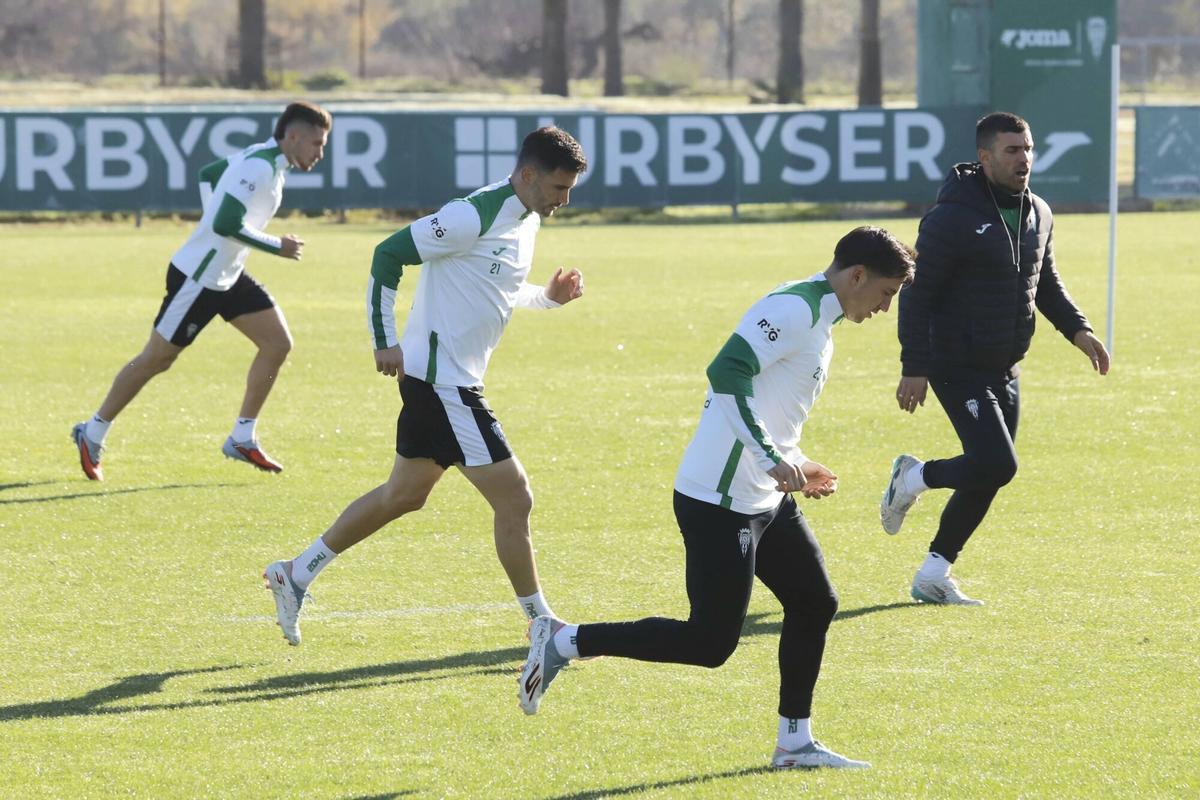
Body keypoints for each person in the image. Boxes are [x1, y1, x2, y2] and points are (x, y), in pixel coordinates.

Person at [518, 226, 917, 771]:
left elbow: (769, 403)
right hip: (719, 501)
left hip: (764, 497)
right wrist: (770, 458)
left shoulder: (820, 317)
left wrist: (795, 461)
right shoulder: (795, 309)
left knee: (814, 601)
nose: (885, 308)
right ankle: (564, 640)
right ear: (858, 276)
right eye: (886, 294)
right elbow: (726, 371)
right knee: (710, 644)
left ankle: (794, 743)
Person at [263, 126, 587, 646]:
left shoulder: (525, 217)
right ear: (528, 174)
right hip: (445, 385)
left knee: (404, 494)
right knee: (515, 499)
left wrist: (546, 298)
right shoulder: (470, 216)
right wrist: (384, 340)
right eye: (558, 188)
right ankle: (542, 626)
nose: (564, 201)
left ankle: (295, 572)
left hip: (443, 382)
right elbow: (387, 254)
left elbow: (495, 286)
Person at [879, 111, 1111, 605]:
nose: (1024, 159)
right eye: (1012, 150)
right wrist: (915, 366)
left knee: (986, 472)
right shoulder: (951, 217)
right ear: (985, 157)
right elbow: (917, 295)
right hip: (955, 363)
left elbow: (1044, 283)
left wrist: (1079, 330)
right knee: (996, 464)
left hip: (1005, 364)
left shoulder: (1039, 212)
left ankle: (934, 574)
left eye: (1028, 149)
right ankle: (913, 477)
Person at [71, 101, 332, 480]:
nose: (320, 153)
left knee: (277, 344)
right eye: (317, 143)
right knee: (156, 359)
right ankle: (92, 431)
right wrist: (278, 245)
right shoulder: (259, 166)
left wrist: (214, 225)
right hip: (199, 277)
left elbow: (208, 174)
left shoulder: (267, 160)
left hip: (228, 274)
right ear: (293, 137)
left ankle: (242, 437)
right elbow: (226, 223)